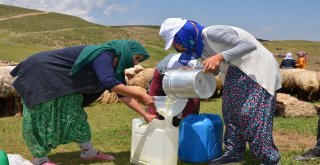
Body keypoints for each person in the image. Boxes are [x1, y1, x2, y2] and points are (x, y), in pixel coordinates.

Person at [10, 40, 157, 165]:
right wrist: (140, 93)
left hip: (63, 82)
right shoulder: (104, 55)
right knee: (41, 115)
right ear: (126, 51)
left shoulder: (115, 66)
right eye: (136, 58)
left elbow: (122, 94)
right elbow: (109, 83)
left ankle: (88, 152)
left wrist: (145, 114)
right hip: (41, 72)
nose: (135, 63)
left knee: (75, 114)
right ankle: (40, 159)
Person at [159, 18, 282, 165]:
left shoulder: (212, 32)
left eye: (177, 42)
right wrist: (198, 69)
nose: (178, 47)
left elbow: (248, 45)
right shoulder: (200, 48)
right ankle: (233, 152)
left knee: (251, 115)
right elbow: (215, 69)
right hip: (236, 72)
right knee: (230, 113)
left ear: (184, 35)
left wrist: (219, 56)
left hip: (258, 70)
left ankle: (270, 159)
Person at [146, 53, 201, 126]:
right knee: (159, 119)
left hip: (188, 90)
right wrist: (152, 114)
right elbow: (153, 93)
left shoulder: (197, 72)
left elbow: (194, 99)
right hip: (164, 90)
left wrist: (183, 119)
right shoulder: (162, 68)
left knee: (187, 122)